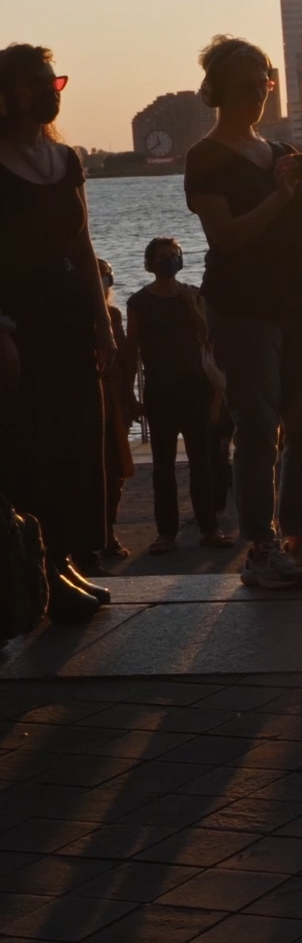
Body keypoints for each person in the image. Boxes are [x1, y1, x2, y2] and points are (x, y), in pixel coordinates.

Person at [184, 35, 302, 588]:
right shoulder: (205, 158)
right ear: (216, 91)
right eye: (247, 85)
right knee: (257, 428)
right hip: (244, 310)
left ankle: (300, 537)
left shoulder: (283, 155)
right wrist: (281, 196)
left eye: (264, 83)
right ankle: (259, 546)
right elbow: (227, 238)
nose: (258, 93)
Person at [0, 43, 113, 619]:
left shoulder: (66, 159)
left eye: (55, 81)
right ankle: (37, 568)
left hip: (69, 319)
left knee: (77, 441)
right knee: (32, 447)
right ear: (7, 93)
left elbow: (83, 243)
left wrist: (101, 321)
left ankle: (66, 558)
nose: (51, 90)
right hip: (20, 327)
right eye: (40, 82)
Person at [126, 237, 233, 554]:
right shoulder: (138, 303)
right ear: (150, 263)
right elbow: (132, 351)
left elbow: (207, 337)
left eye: (173, 255)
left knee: (203, 462)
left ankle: (209, 527)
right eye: (162, 256)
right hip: (160, 391)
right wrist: (130, 395)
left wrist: (190, 305)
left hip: (195, 389)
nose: (169, 260)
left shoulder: (193, 295)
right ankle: (166, 533)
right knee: (163, 466)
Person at [91, 258, 136, 568]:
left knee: (117, 470)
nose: (104, 282)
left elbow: (124, 360)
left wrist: (130, 397)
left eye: (107, 276)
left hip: (116, 404)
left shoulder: (115, 315)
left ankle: (108, 531)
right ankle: (95, 534)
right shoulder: (80, 317)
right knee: (95, 470)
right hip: (93, 402)